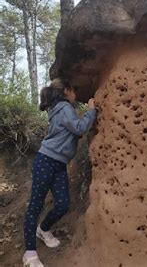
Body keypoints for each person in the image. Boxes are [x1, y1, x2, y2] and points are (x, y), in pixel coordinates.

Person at [22, 79, 96, 267]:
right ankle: (29, 255)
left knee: (63, 204)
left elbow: (72, 131)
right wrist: (91, 111)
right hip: (46, 161)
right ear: (66, 91)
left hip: (58, 164)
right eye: (74, 90)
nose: (75, 94)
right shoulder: (64, 107)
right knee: (35, 207)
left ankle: (43, 229)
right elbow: (79, 128)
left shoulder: (61, 109)